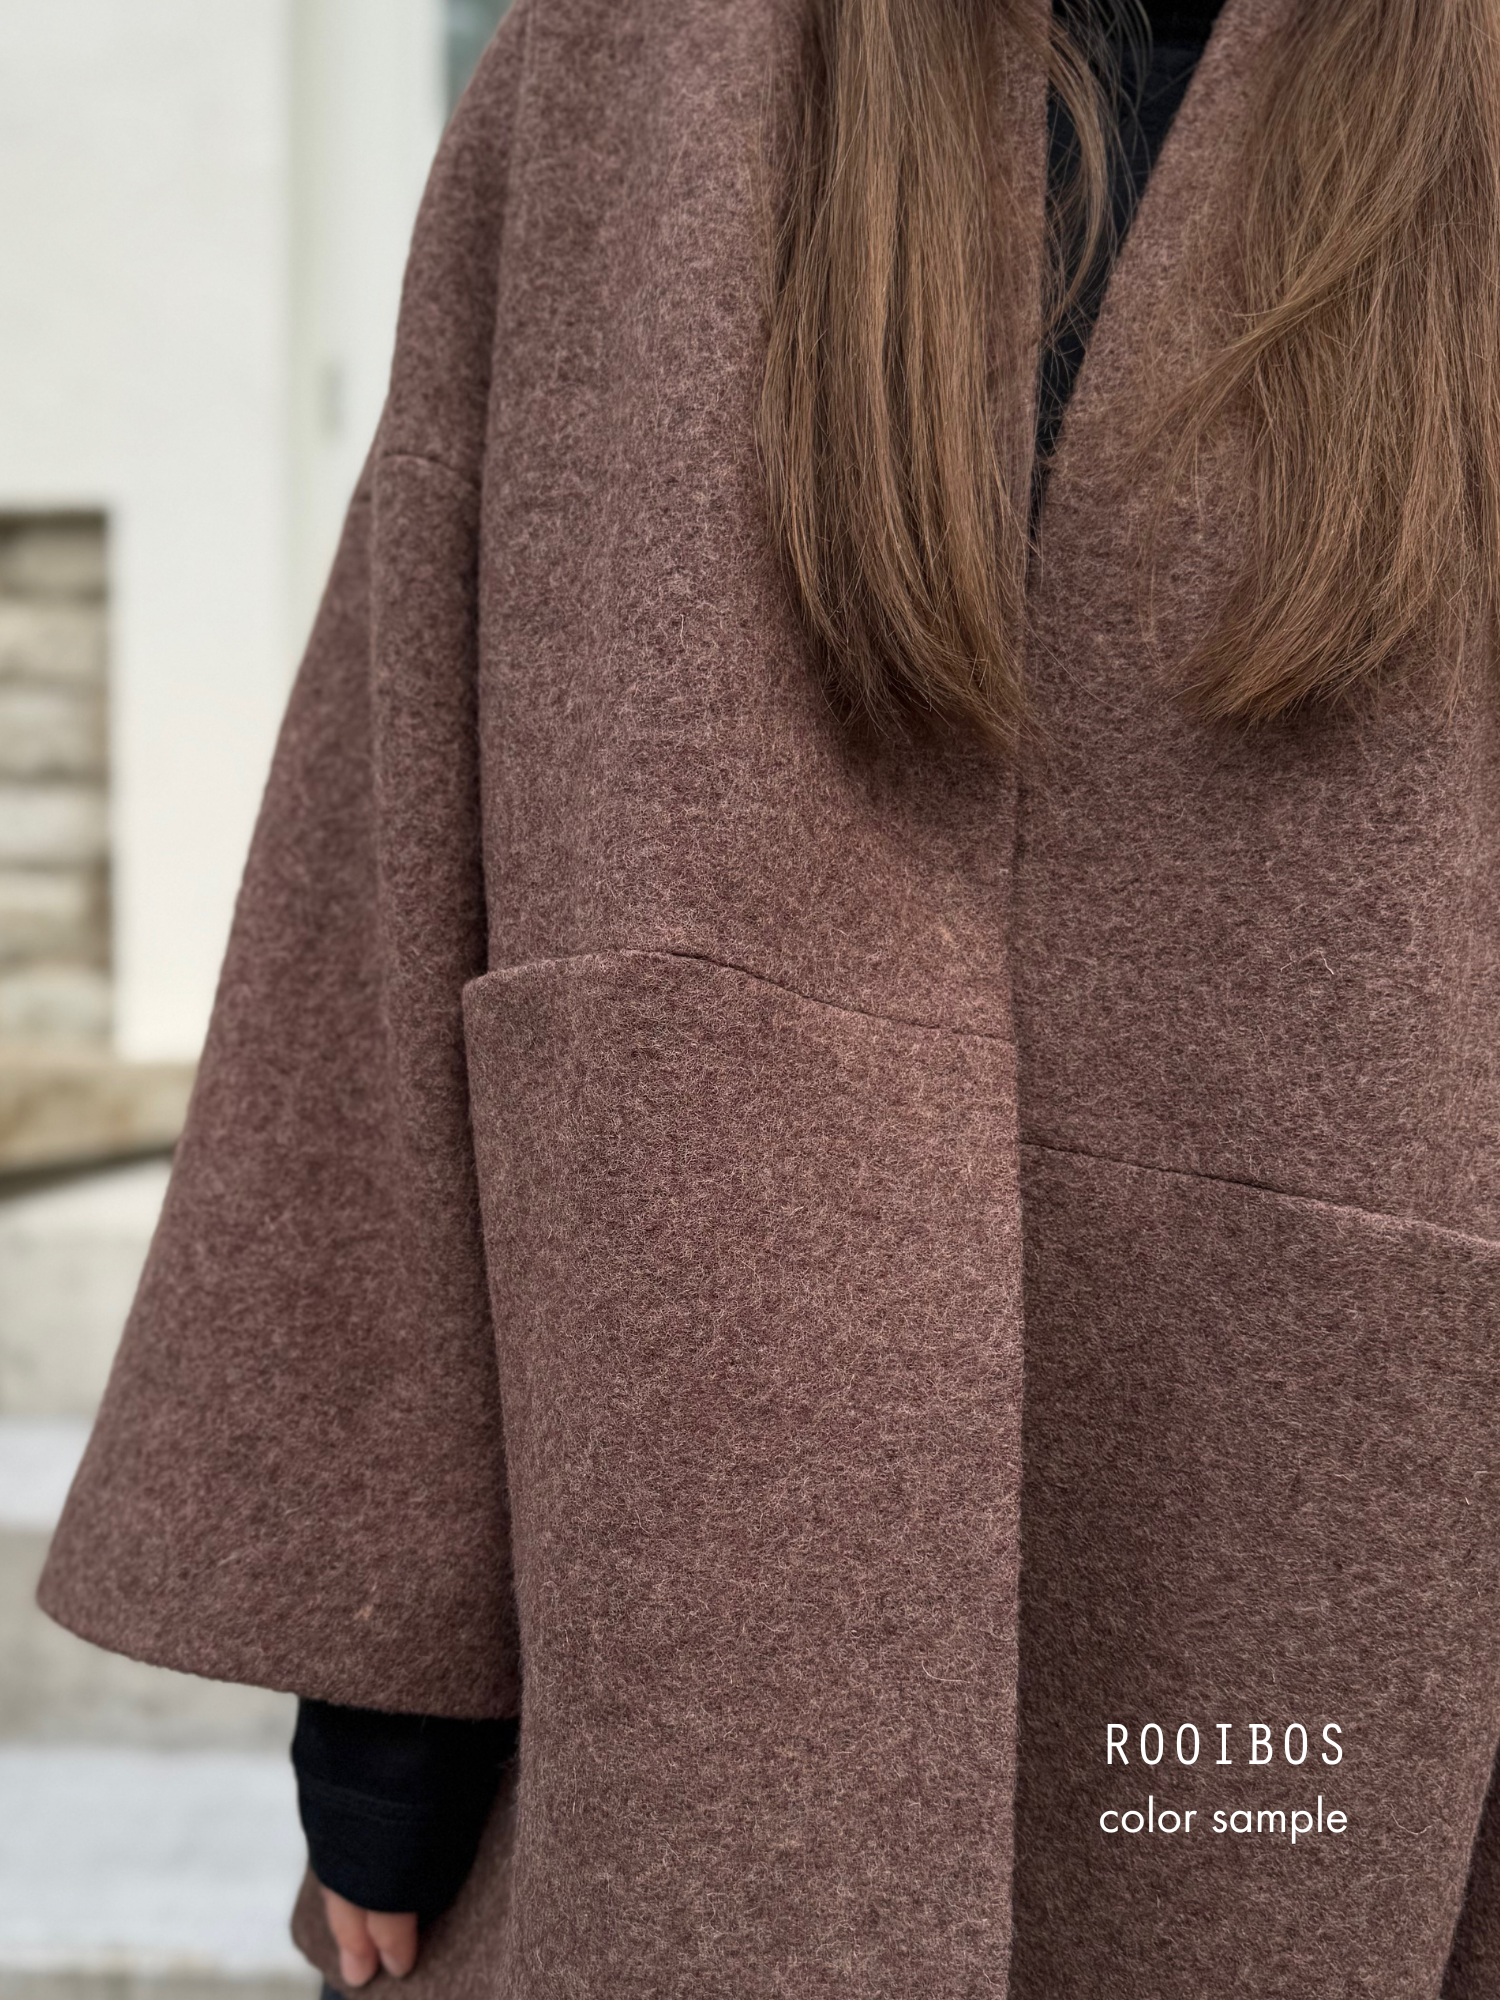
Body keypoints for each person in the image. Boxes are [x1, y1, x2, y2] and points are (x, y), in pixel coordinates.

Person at [35, 0, 1500, 1992]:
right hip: (707, 1521)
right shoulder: (652, 61)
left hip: (1336, 1582)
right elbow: (406, 812)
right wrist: (386, 1694)